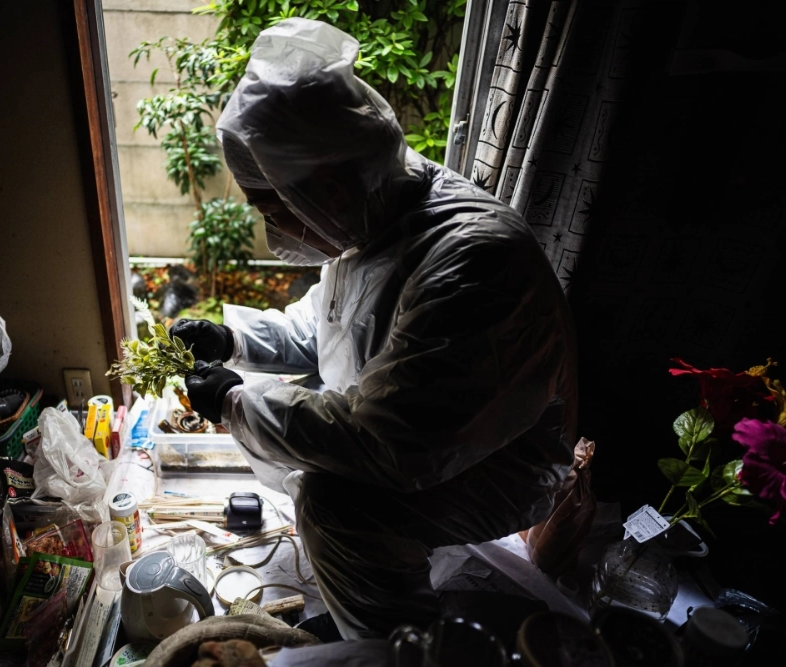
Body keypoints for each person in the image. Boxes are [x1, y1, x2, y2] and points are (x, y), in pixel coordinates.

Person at [174, 18, 577, 640]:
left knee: (335, 506)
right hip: (412, 433)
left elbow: (390, 443)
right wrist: (234, 341)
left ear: (325, 188)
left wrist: (237, 403)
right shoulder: (373, 216)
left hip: (499, 468)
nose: (273, 231)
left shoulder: (474, 263)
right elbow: (327, 327)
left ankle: (393, 646)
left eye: (273, 209)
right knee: (320, 461)